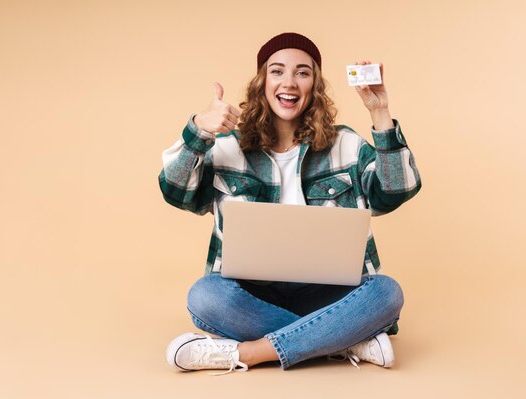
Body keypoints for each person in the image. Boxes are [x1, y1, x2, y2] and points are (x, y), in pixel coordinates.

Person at [159, 32, 421, 374]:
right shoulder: (228, 147)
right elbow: (175, 191)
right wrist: (199, 130)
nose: (290, 82)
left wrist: (381, 113)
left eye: (303, 72)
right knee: (204, 297)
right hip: (253, 295)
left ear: (315, 84)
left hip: (330, 294)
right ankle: (344, 341)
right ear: (262, 82)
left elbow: (397, 189)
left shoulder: (345, 144)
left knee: (387, 293)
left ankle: (248, 353)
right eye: (277, 71)